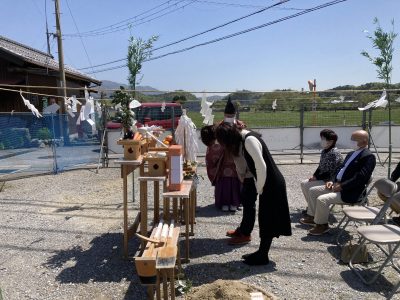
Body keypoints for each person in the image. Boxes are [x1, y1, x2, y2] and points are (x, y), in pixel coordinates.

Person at [216, 122, 292, 265]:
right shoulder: (244, 139)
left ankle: (263, 256)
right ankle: (261, 253)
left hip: (271, 182)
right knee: (266, 219)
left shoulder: (249, 140)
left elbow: (261, 166)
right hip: (266, 183)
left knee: (267, 219)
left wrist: (260, 187)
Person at [300, 130, 376, 235]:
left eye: (354, 140)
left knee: (322, 199)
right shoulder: (351, 154)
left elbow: (361, 178)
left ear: (364, 141)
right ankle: (313, 217)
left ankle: (322, 225)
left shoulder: (368, 157)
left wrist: (342, 186)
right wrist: (332, 181)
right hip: (337, 184)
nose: (351, 141)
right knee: (313, 191)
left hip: (350, 191)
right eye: (351, 139)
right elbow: (340, 169)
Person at [301, 129, 343, 216]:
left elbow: (330, 172)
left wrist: (317, 178)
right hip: (324, 178)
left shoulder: (334, 153)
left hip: (330, 180)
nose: (321, 141)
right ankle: (312, 207)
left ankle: (312, 212)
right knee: (304, 183)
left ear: (331, 141)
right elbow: (320, 167)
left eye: (323, 139)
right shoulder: (325, 151)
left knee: (308, 186)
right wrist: (314, 176)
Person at [200, 125, 241, 212]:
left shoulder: (213, 146)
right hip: (233, 170)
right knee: (234, 185)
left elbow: (211, 160)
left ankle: (224, 204)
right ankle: (234, 203)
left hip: (221, 172)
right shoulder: (227, 142)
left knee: (223, 187)